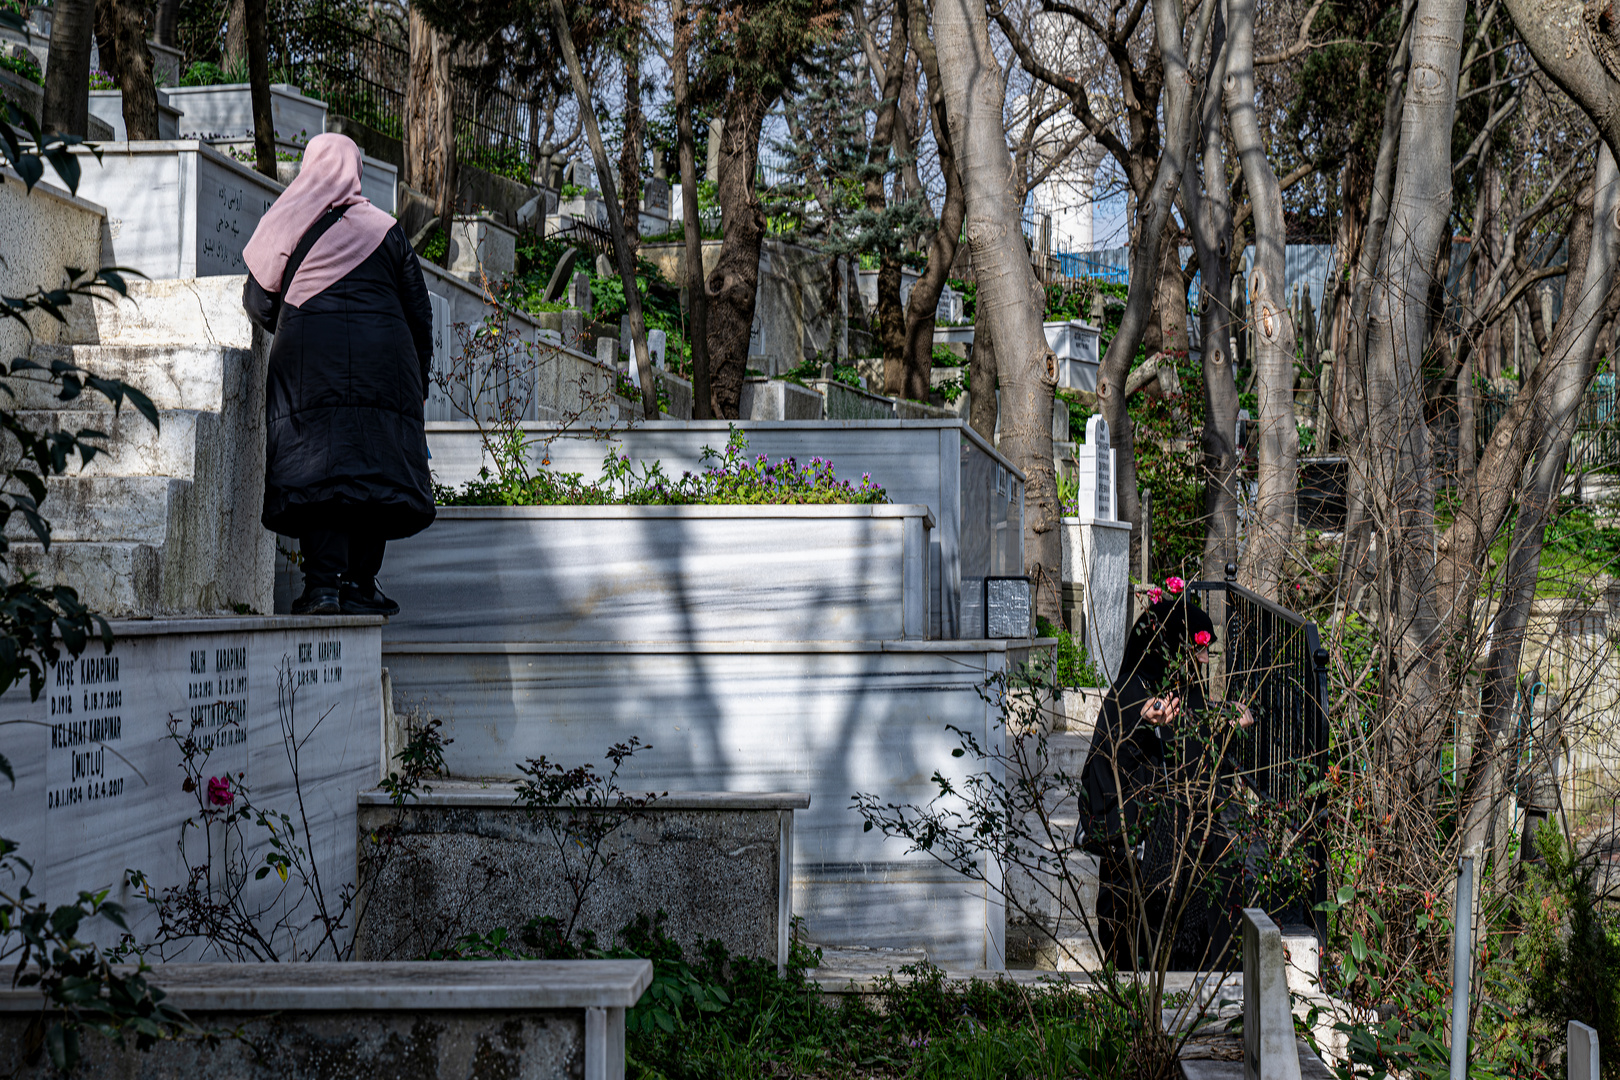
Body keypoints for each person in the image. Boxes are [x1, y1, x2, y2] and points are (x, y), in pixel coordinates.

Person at [241, 133, 435, 616]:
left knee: (318, 471)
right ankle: (362, 585)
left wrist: (299, 319)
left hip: (309, 365)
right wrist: (418, 378)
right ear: (355, 170)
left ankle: (323, 586)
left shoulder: (286, 219)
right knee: (375, 469)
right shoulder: (387, 230)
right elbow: (420, 314)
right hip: (386, 368)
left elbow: (258, 300)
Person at [1078, 589, 1255, 969]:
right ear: (1168, 646)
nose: (1205, 658)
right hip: (1146, 858)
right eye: (1198, 648)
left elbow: (1195, 758)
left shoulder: (1185, 692)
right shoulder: (1127, 695)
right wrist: (1141, 728)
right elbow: (1104, 771)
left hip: (1193, 843)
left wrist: (1225, 727)